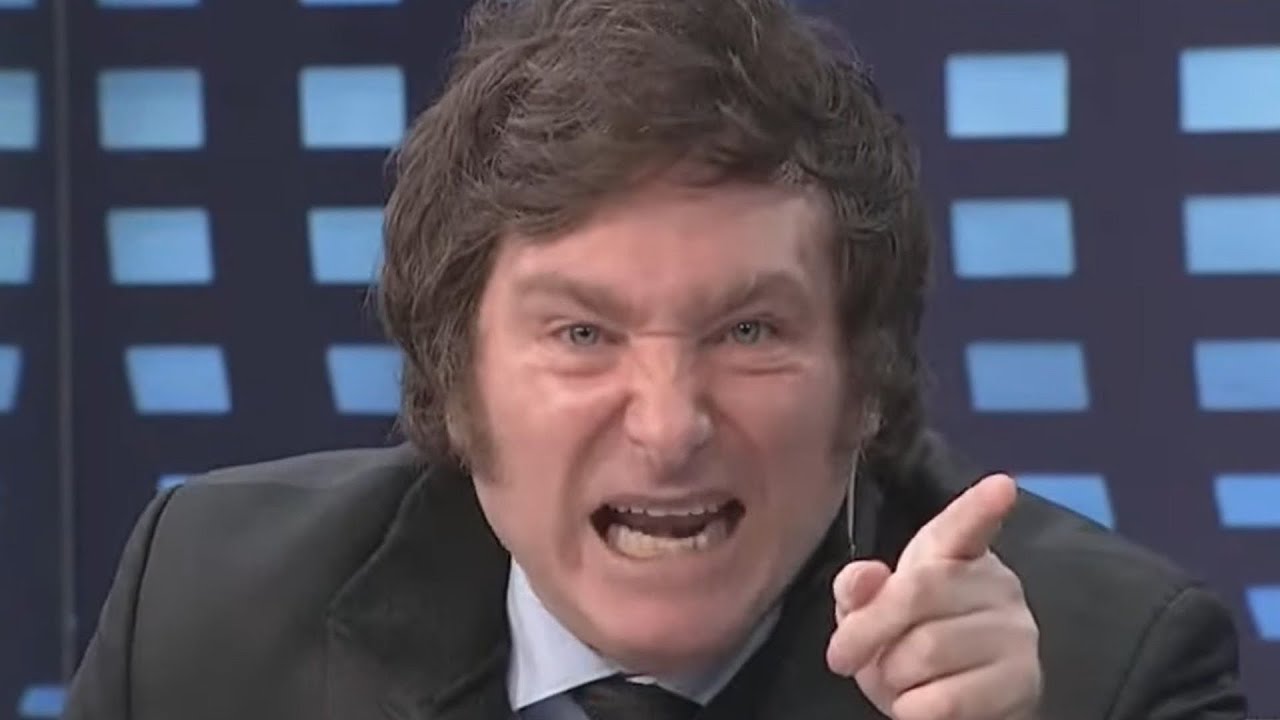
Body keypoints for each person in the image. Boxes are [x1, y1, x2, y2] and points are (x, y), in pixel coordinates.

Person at [64, 0, 1247, 718]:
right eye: (582, 335)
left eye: (749, 333)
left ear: (863, 388)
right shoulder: (207, 612)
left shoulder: (1105, 672)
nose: (668, 424)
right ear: (456, 386)